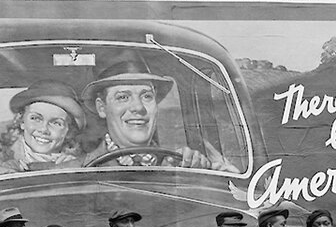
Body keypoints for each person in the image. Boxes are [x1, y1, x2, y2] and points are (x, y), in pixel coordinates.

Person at [80, 60, 238, 171]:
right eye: (123, 97)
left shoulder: (180, 166)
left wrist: (210, 173)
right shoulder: (75, 170)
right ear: (102, 108)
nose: (138, 107)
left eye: (147, 96)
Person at [0, 81, 86, 174]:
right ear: (22, 121)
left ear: (69, 132)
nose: (44, 129)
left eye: (56, 123)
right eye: (36, 118)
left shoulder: (82, 164)